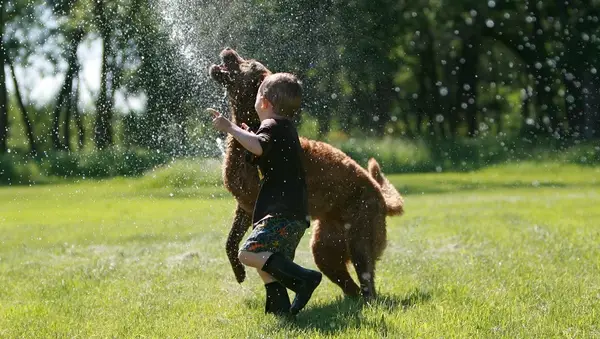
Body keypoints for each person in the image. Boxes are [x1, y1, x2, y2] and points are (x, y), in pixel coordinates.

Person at [208, 72, 322, 316]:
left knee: (249, 253)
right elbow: (262, 149)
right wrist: (248, 132)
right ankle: (278, 309)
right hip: (294, 212)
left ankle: (304, 279)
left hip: (281, 212)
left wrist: (229, 128)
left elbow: (258, 145)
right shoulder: (285, 128)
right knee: (268, 263)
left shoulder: (271, 126)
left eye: (258, 94)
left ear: (264, 103)